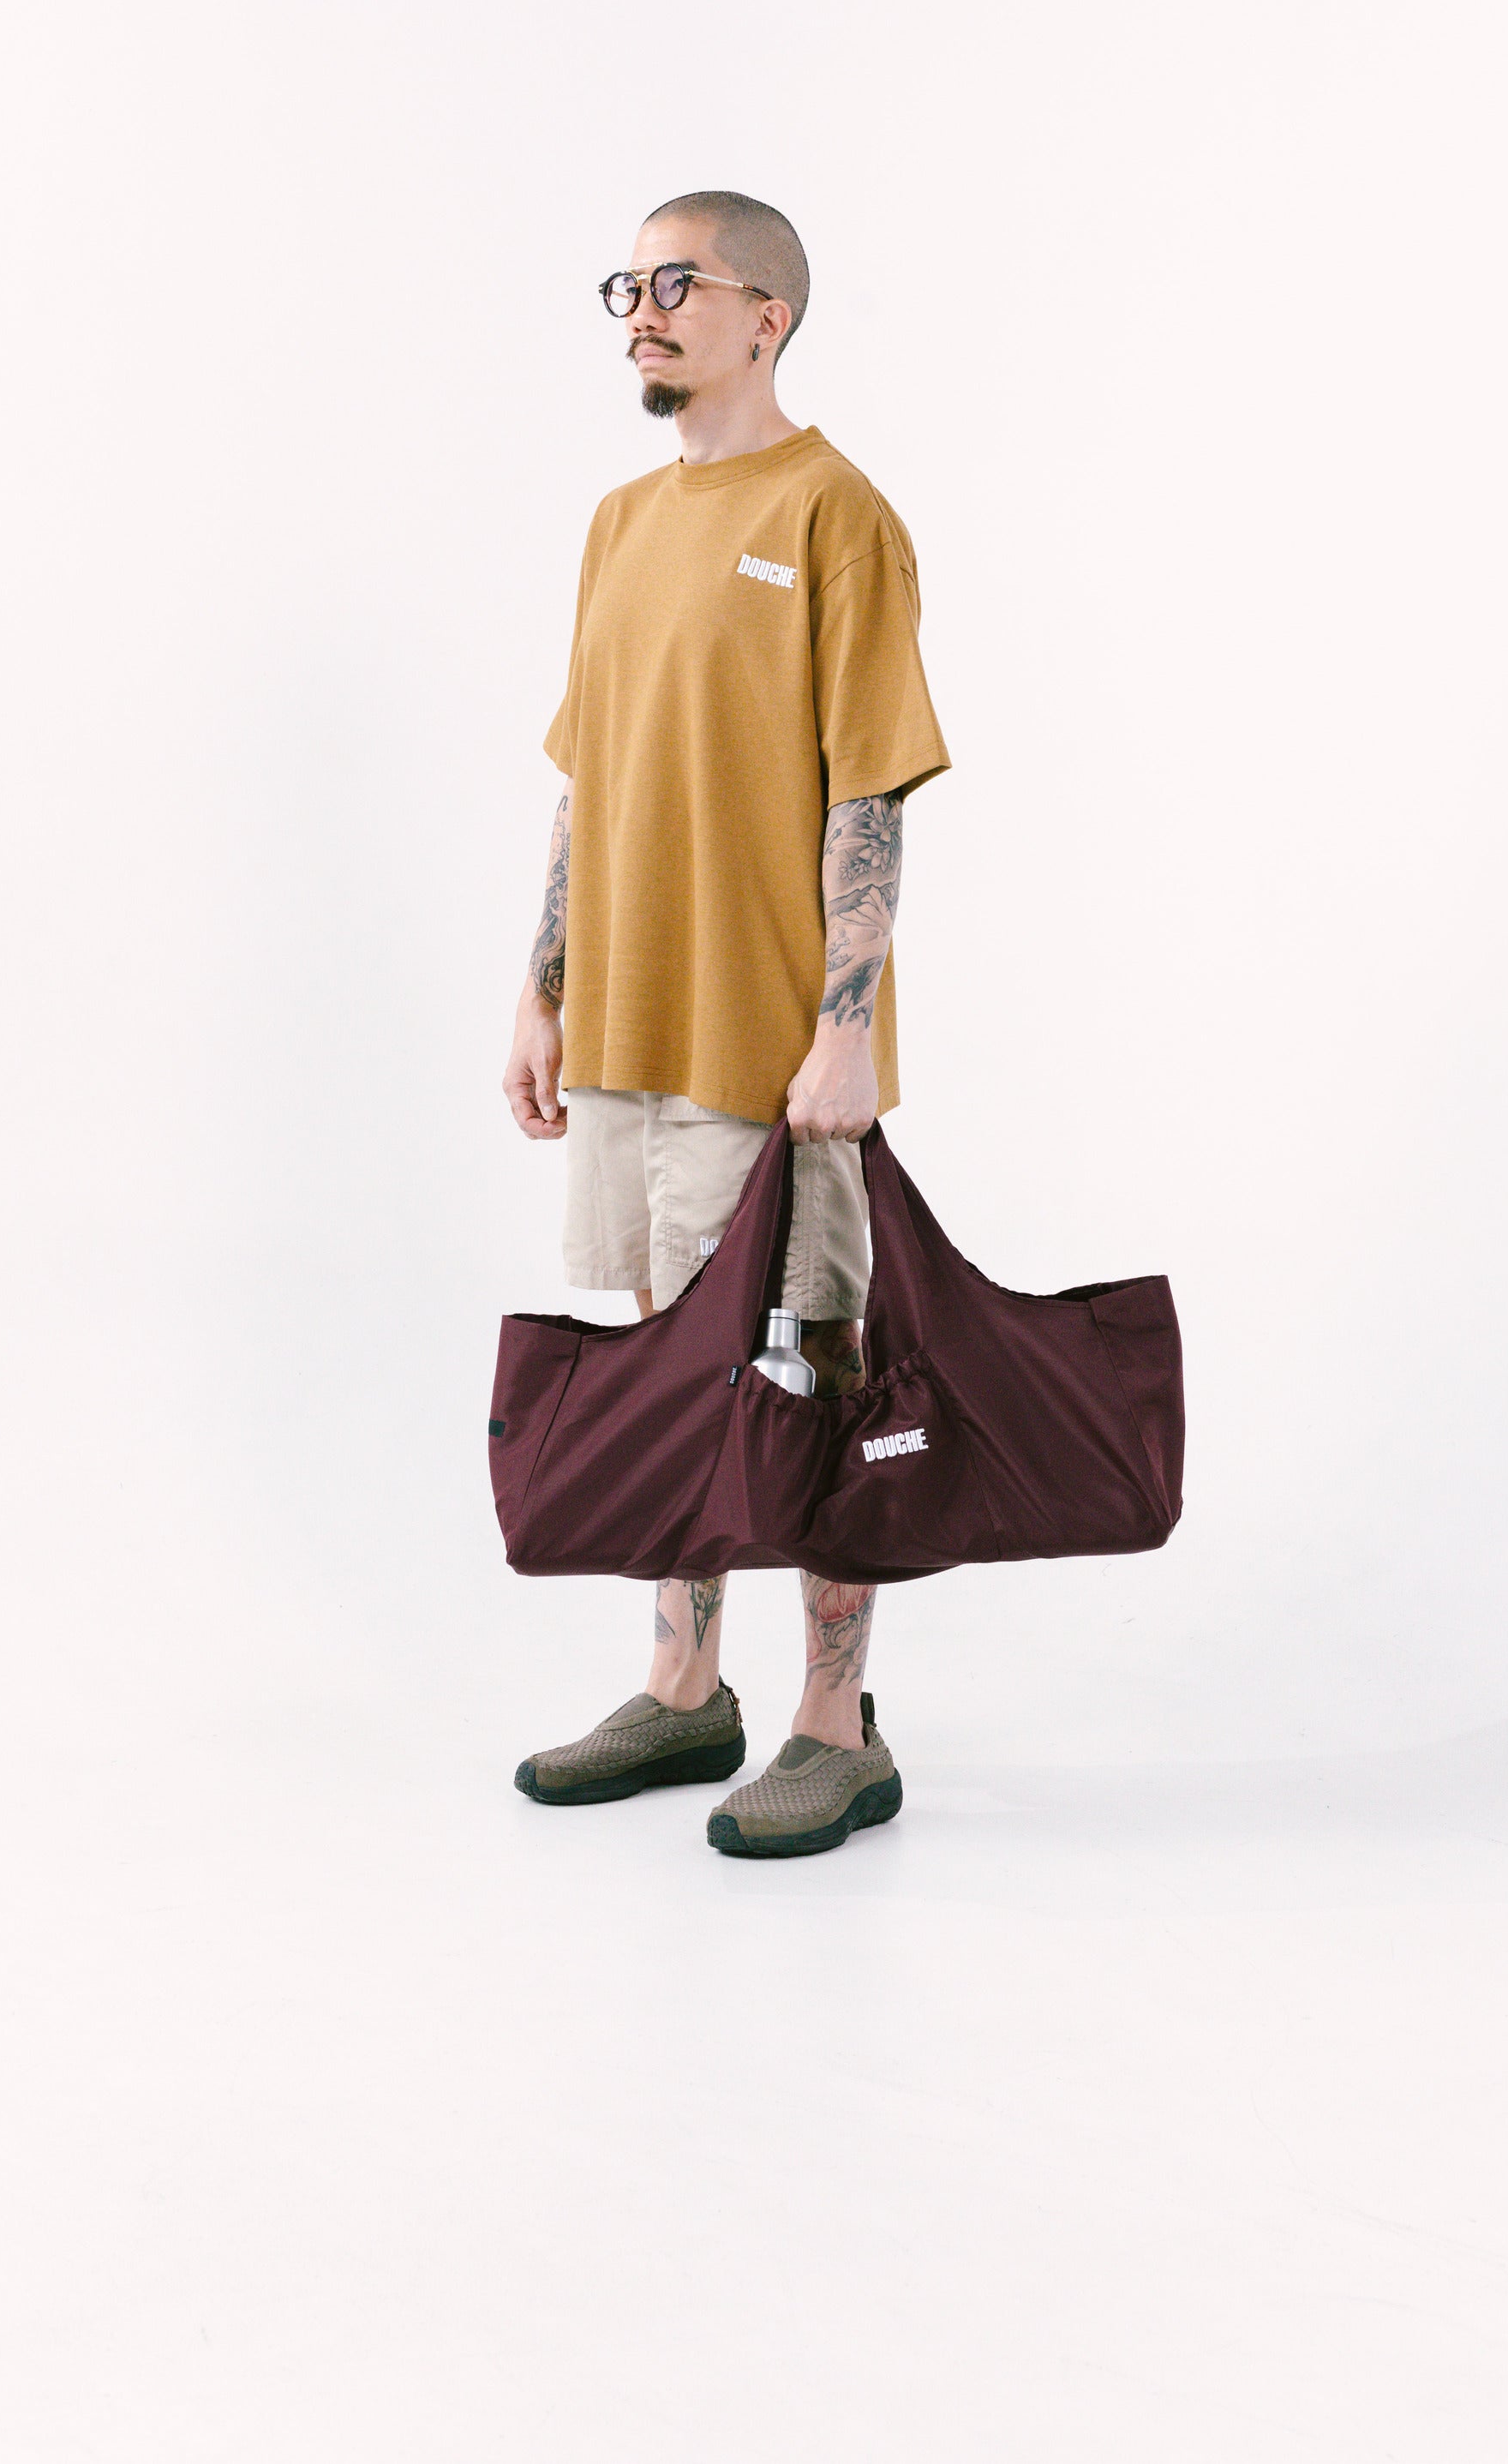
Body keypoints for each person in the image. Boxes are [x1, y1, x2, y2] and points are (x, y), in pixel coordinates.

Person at [500, 190, 950, 1858]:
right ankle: (688, 1688)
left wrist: (847, 1028)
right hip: (624, 1026)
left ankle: (840, 1722)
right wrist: (543, 982)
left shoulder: (838, 513)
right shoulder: (622, 520)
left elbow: (871, 795)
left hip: (771, 1043)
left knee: (812, 1371)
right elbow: (584, 775)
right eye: (628, 281)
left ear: (770, 314)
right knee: (661, 1359)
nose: (642, 308)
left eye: (676, 280)